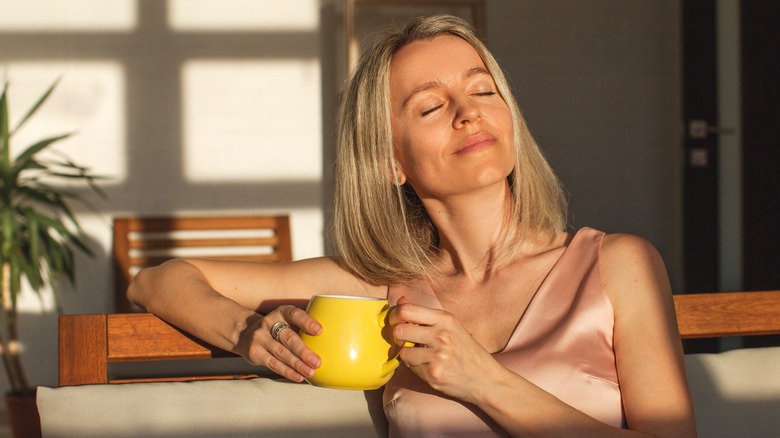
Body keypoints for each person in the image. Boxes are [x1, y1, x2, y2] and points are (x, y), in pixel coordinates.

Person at [129, 14, 696, 437]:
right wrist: (246, 333)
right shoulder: (383, 292)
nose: (467, 111)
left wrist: (484, 380)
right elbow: (156, 280)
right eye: (430, 106)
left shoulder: (617, 265)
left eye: (481, 90)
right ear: (390, 161)